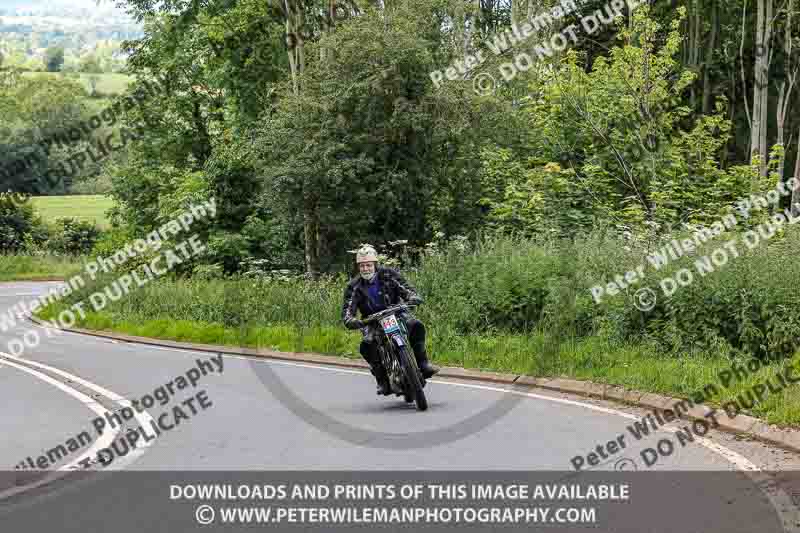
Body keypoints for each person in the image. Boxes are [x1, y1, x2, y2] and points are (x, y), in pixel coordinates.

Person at [341, 244, 439, 395]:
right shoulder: (353, 286)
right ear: (358, 267)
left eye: (368, 265)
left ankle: (423, 363)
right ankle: (382, 380)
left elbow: (406, 289)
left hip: (395, 312)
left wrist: (412, 297)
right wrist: (352, 320)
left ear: (375, 264)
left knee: (416, 325)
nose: (365, 269)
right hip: (371, 321)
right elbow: (347, 311)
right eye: (362, 266)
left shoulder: (388, 274)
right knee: (367, 345)